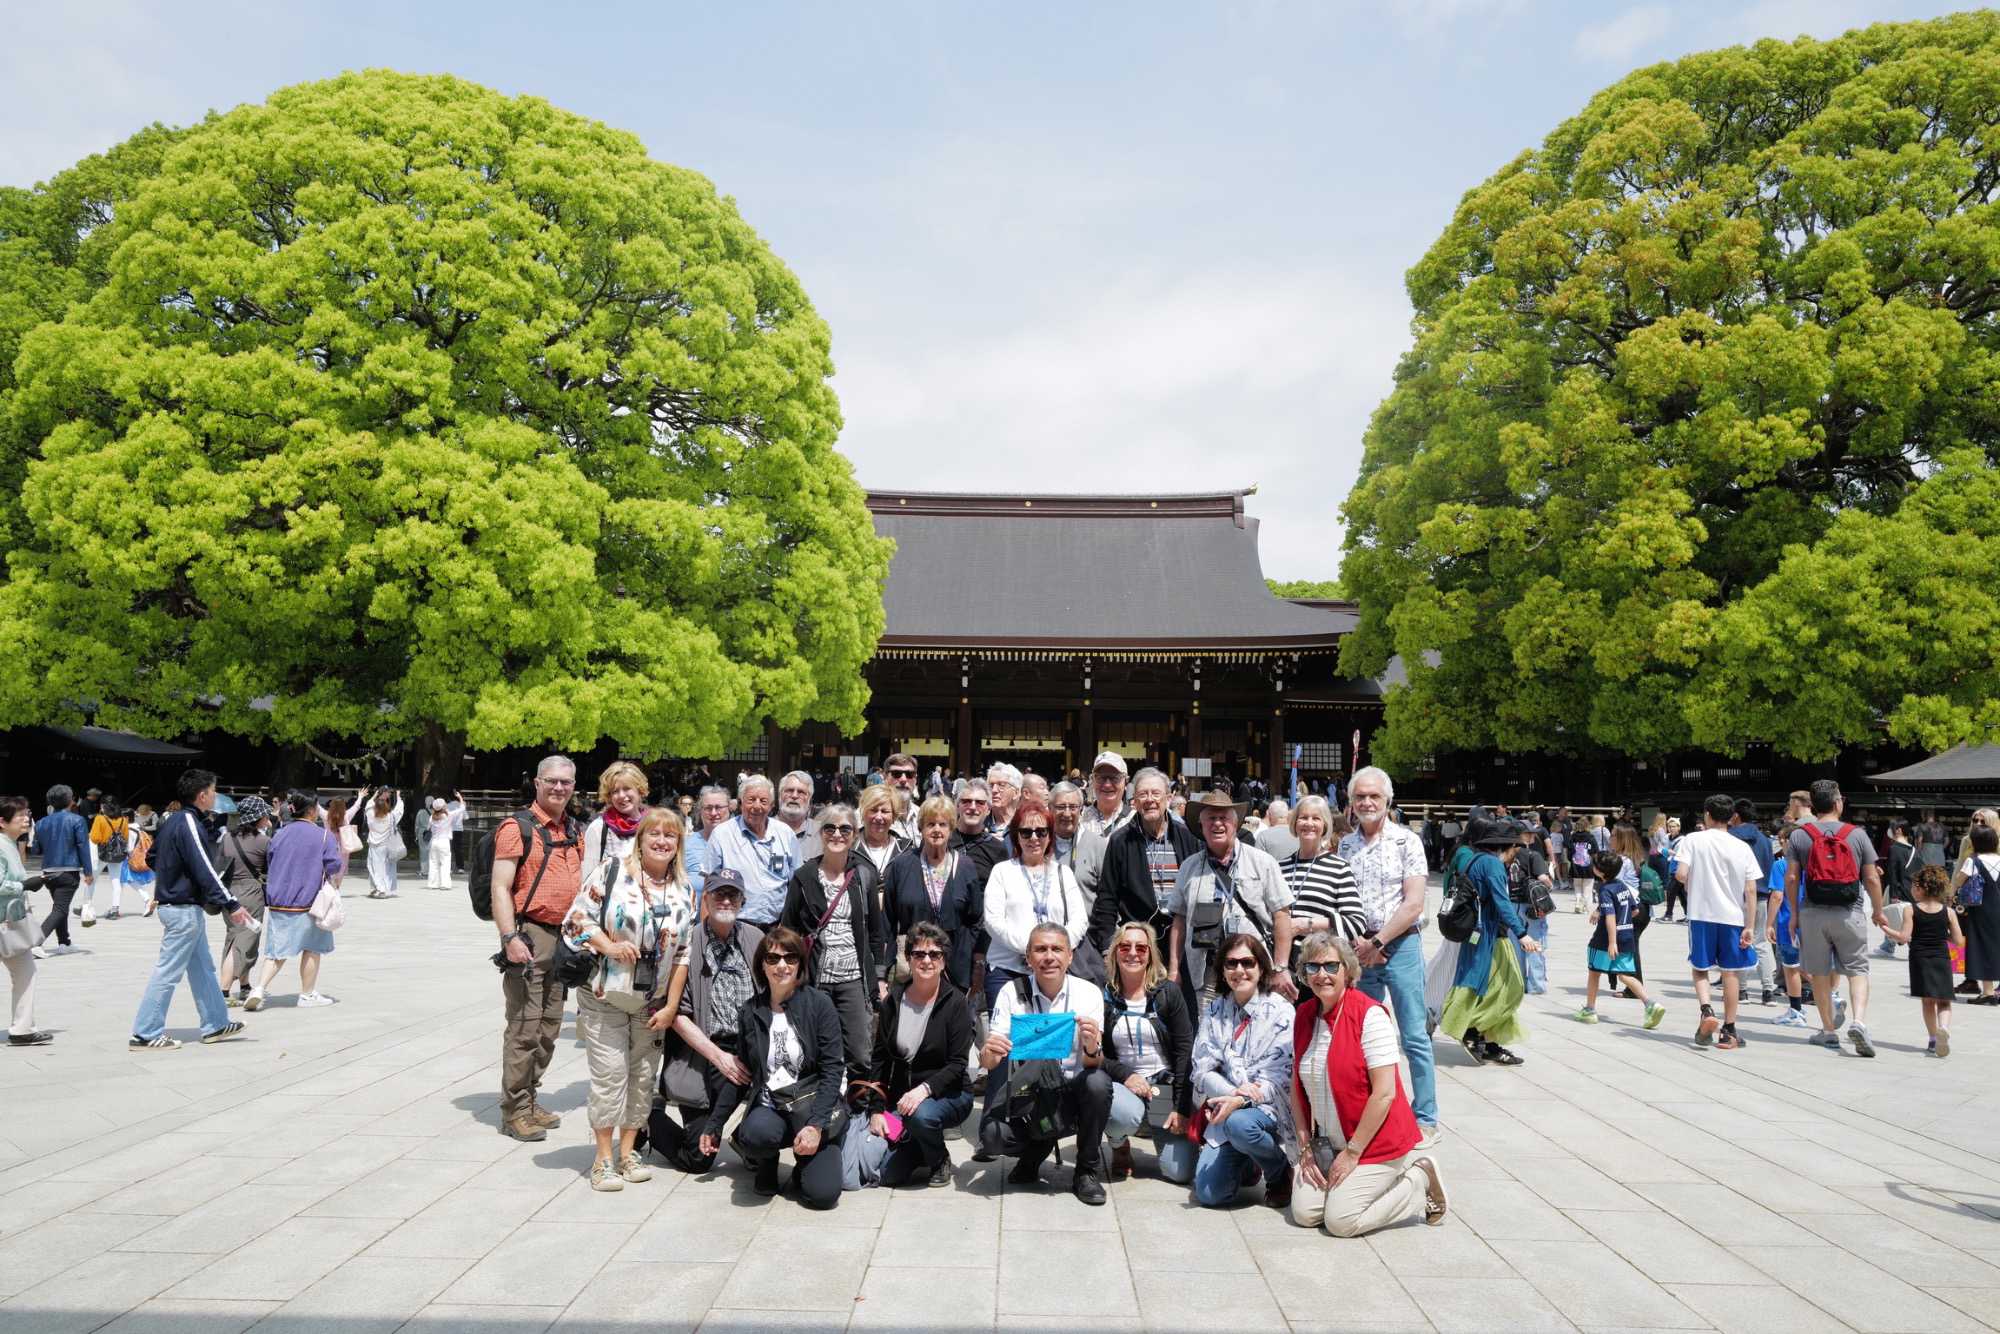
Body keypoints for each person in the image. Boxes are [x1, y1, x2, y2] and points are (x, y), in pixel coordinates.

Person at [563, 806, 694, 1192]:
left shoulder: (684, 888)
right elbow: (575, 920)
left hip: (651, 1002)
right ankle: (603, 1159)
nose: (662, 841)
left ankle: (628, 1152)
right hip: (606, 993)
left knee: (642, 1078)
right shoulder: (613, 871)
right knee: (611, 1076)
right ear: (641, 838)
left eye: (670, 835)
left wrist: (671, 1006)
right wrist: (609, 946)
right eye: (654, 833)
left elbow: (683, 953)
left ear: (679, 843)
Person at [1288, 932, 1445, 1236]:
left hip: (1374, 1142)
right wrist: (1305, 1144)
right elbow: (1296, 1086)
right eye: (1312, 967)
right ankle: (1347, 1190)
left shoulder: (1369, 1014)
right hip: (1330, 1143)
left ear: (1347, 970)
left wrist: (1352, 1152)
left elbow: (1384, 1093)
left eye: (1331, 966)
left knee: (1341, 1222)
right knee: (1305, 1214)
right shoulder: (1304, 1014)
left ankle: (1418, 1180)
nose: (1322, 975)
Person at [699, 926, 849, 1207]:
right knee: (755, 1134)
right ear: (762, 965)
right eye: (773, 958)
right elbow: (742, 1074)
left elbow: (833, 1070)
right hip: (772, 1107)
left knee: (822, 1195)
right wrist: (715, 1124)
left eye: (790, 958)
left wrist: (816, 1125)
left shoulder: (820, 1004)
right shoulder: (750, 1011)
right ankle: (766, 1162)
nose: (782, 965)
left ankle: (807, 1159)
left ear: (800, 964)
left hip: (811, 1106)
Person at [977, 920, 1114, 1205]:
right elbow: (990, 1062)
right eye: (1040, 949)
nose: (1049, 956)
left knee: (1098, 1083)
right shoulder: (1011, 992)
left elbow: (1095, 1062)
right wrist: (989, 1053)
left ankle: (1086, 1171)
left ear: (1070, 956)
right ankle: (1034, 1151)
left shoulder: (1088, 992)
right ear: (1028, 957)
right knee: (991, 1135)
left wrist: (1092, 1046)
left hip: (1072, 1093)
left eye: (1056, 949)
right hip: (1029, 1096)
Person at [1336, 766, 1437, 1139]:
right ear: (1351, 801)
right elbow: (1341, 899)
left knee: (1413, 1034)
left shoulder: (1406, 842)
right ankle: (1368, 1112)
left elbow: (1413, 903)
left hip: (1401, 944)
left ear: (1388, 800)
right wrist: (1360, 943)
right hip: (1358, 947)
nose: (1366, 802)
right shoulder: (1346, 845)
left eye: (1374, 796)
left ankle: (1425, 1116)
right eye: (1360, 796)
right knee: (1359, 1035)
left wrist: (1377, 942)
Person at [491, 755, 587, 1141]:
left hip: (563, 938)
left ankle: (530, 1098)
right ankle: (514, 1110)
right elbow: (500, 886)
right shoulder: (518, 828)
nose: (559, 788)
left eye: (566, 782)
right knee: (524, 1027)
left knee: (549, 1027)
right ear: (537, 783)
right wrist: (509, 937)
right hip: (529, 934)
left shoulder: (574, 830)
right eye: (551, 781)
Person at [129, 770, 252, 1050]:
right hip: (182, 908)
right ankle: (145, 1032)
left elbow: (153, 856)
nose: (215, 795)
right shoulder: (187, 822)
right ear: (202, 795)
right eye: (213, 790)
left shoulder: (175, 820)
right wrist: (230, 902)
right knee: (168, 972)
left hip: (182, 907)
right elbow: (204, 867)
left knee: (203, 969)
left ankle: (216, 1024)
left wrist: (172, 875)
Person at [653, 869, 760, 1172]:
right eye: (719, 894)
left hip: (748, 1049)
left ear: (742, 900)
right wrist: (719, 1058)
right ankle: (648, 1118)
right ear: (706, 899)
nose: (726, 901)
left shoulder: (755, 939)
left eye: (733, 895)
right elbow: (676, 1013)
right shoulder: (688, 942)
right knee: (698, 1159)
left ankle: (747, 1139)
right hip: (703, 1051)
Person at [779, 804, 888, 1077]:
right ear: (820, 833)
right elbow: (788, 931)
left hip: (854, 979)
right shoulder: (804, 877)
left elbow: (876, 932)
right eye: (830, 828)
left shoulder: (863, 874)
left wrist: (880, 977)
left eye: (845, 829)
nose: (837, 834)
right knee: (815, 1051)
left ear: (854, 835)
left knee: (859, 1053)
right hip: (816, 978)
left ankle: (856, 1102)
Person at [865, 921, 976, 1187]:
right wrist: (876, 1109)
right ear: (908, 959)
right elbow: (880, 1059)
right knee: (888, 1176)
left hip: (949, 1094)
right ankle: (918, 1143)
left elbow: (958, 1064)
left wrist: (923, 1090)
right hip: (903, 1098)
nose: (926, 960)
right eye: (919, 954)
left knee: (921, 1116)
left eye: (934, 954)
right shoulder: (893, 1000)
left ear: (944, 961)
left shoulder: (956, 1003)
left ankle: (938, 1158)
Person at [1189, 932, 1295, 1209]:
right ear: (1222, 970)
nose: (1239, 970)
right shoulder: (1215, 1009)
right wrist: (1233, 1093)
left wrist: (1243, 1100)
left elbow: (1281, 1078)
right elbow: (1202, 1068)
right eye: (1231, 963)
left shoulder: (1282, 1011)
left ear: (1261, 967)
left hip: (1268, 1107)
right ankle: (1250, 1159)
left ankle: (1279, 1171)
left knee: (1240, 1124)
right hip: (1226, 1102)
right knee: (1210, 1194)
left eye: (1247, 963)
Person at [1784, 780, 1888, 1057]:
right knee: (1857, 970)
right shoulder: (1857, 835)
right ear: (1838, 803)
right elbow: (1872, 878)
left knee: (1819, 973)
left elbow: (1792, 877)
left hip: (1813, 912)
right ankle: (1859, 1021)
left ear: (1814, 805)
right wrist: (1878, 911)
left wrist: (1793, 913)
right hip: (1849, 911)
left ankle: (1828, 1031)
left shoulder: (1800, 835)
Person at [1167, 790, 1296, 1007]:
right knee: (1210, 1026)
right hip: (1208, 974)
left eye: (1223, 818)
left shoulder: (1262, 862)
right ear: (1201, 825)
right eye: (1211, 818)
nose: (1217, 824)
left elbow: (1282, 915)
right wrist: (1174, 969)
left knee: (1255, 1025)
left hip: (1253, 969)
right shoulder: (1189, 867)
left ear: (1235, 824)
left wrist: (1281, 967)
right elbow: (1179, 920)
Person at [1438, 820, 1541, 1066]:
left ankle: (1488, 1042)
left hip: (1480, 933)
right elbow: (1501, 902)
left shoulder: (1475, 859)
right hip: (1489, 935)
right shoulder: (1493, 864)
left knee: (1493, 985)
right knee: (1509, 987)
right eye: (1517, 847)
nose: (1518, 851)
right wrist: (1522, 934)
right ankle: (1471, 1031)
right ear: (1509, 846)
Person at [1100, 921, 1195, 1183]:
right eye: (1125, 947)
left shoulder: (1168, 993)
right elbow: (1094, 1055)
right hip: (1123, 1084)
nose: (1133, 953)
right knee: (1119, 1112)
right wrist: (1126, 1074)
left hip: (1161, 1086)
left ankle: (1151, 1124)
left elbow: (1184, 1051)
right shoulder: (1103, 996)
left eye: (1141, 948)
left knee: (1179, 1173)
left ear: (1151, 953)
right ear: (1115, 952)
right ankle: (1119, 1144)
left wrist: (1181, 1107)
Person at [982, 797, 1090, 1010]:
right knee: (1008, 1031)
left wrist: (1054, 950)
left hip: (1054, 970)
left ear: (1050, 836)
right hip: (1008, 969)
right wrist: (1031, 950)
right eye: (1026, 832)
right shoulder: (1002, 871)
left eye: (1041, 832)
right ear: (1016, 836)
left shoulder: (1063, 873)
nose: (1034, 838)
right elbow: (993, 922)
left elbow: (1079, 920)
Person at [1676, 794, 1763, 1052]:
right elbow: (1751, 889)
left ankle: (1706, 1010)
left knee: (1699, 967)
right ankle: (1729, 1030)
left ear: (1707, 814)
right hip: (1733, 917)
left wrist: (1694, 881)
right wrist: (1749, 925)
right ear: (1732, 817)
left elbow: (1681, 874)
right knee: (1730, 972)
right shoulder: (1742, 847)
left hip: (1701, 914)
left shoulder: (1693, 840)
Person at [250, 790, 345, 1010]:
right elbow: (334, 865)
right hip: (309, 901)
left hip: (279, 900)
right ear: (312, 810)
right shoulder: (323, 835)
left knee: (276, 951)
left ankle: (259, 989)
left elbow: (270, 861)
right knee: (312, 948)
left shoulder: (279, 834)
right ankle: (307, 994)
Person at [1089, 767, 1200, 952]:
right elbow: (1107, 899)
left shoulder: (1187, 837)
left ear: (1168, 798)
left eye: (1156, 793)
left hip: (1182, 940)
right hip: (1138, 945)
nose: (1150, 800)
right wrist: (1108, 948)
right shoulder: (1120, 841)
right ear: (1134, 802)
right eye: (1143, 794)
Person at [882, 796, 984, 992]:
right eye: (930, 824)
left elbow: (976, 918)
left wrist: (965, 952)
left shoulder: (965, 866)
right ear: (921, 828)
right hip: (912, 967)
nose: (937, 830)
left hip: (954, 969)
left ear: (951, 828)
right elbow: (887, 919)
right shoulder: (902, 865)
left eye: (942, 824)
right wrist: (883, 970)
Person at [1574, 851, 1667, 1029]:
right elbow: (1635, 910)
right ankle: (1650, 1004)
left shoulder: (1605, 889)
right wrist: (1622, 923)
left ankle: (1590, 1010)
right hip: (1627, 936)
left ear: (1600, 871)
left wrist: (1612, 942)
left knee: (1594, 972)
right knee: (1624, 975)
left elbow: (1610, 917)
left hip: (1604, 940)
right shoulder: (1622, 885)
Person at [1880, 866, 1963, 1055]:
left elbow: (1903, 937)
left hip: (1920, 958)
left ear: (1920, 888)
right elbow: (1958, 942)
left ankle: (1933, 1039)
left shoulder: (1911, 910)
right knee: (1944, 1001)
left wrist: (1885, 928)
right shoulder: (1949, 912)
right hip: (1941, 958)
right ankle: (1944, 1028)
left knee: (1927, 1001)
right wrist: (1944, 934)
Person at [703, 775, 797, 929]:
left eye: (763, 801)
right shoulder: (722, 834)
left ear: (772, 806)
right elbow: (708, 886)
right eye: (751, 800)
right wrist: (706, 933)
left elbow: (795, 884)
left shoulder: (786, 833)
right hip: (735, 926)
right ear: (740, 803)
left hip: (778, 927)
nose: (757, 806)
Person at [1278, 795, 1365, 960]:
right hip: (1284, 962)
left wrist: (1305, 925)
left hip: (1322, 962)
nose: (1309, 823)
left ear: (1324, 825)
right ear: (1295, 823)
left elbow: (1356, 923)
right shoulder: (1279, 867)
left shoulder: (1339, 868)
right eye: (1303, 818)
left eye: (1316, 818)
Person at [0, 797, 51, 1045]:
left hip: (10, 923)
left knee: (26, 972)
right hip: (4, 923)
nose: (26, 819)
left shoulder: (9, 844)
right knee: (25, 972)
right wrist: (23, 885)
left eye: (27, 814)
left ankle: (22, 1029)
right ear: (2, 821)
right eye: (19, 815)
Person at [216, 797, 273, 1008]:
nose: (267, 818)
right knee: (243, 942)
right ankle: (223, 991)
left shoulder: (226, 838)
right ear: (258, 817)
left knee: (236, 937)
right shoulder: (264, 841)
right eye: (265, 815)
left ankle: (245, 985)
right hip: (251, 893)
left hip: (229, 893)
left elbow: (219, 864)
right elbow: (270, 868)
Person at [32, 786, 91, 955]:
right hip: (68, 870)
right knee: (60, 909)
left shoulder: (41, 822)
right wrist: (88, 871)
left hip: (48, 871)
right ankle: (36, 943)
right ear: (70, 800)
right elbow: (83, 847)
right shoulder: (77, 820)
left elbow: (36, 850)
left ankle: (64, 942)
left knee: (60, 906)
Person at [1951, 822, 2000, 1005]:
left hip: (1980, 909)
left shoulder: (1973, 860)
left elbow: (1958, 880)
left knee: (1981, 947)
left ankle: (1988, 992)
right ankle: (1993, 992)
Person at [583, 762, 650, 871]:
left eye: (627, 788)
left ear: (639, 790)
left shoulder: (653, 824)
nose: (621, 795)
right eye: (615, 791)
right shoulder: (598, 828)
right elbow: (588, 873)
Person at [353, 785, 406, 899]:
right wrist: (398, 797)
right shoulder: (391, 817)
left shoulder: (371, 815)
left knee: (374, 867)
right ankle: (382, 888)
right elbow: (399, 810)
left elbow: (368, 806)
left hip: (374, 845)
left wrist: (375, 795)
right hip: (387, 846)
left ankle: (380, 889)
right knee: (385, 868)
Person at [854, 784, 911, 881]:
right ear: (863, 813)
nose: (878, 817)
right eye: (873, 810)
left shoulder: (905, 850)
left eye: (884, 811)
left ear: (894, 816)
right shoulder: (849, 847)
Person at [1878, 820, 1918, 958]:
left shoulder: (1894, 849)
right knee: (1906, 920)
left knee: (1895, 918)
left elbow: (1893, 874)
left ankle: (1889, 946)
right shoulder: (1913, 849)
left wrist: (1894, 895)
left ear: (1899, 830)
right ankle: (1888, 945)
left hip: (1899, 891)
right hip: (1911, 890)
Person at [87, 798, 131, 921]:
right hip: (118, 854)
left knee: (91, 879)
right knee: (116, 881)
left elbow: (95, 838)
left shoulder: (100, 818)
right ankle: (115, 908)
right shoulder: (123, 819)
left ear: (104, 807)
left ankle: (86, 905)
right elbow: (126, 837)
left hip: (102, 854)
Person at [685, 785, 731, 900]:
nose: (714, 813)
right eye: (708, 808)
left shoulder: (741, 843)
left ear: (729, 808)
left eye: (719, 807)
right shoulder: (686, 845)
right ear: (700, 811)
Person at [1078, 752, 1132, 841]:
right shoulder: (1080, 819)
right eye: (1101, 778)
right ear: (1092, 780)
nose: (1107, 785)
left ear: (1126, 782)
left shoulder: (1135, 820)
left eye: (1115, 778)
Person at [776, 770, 823, 863]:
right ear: (780, 796)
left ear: (810, 799)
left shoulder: (822, 833)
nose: (794, 796)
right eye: (789, 790)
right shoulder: (763, 829)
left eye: (801, 792)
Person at [425, 792, 467, 890]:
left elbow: (428, 828)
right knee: (445, 863)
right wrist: (460, 797)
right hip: (444, 842)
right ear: (443, 807)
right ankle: (444, 884)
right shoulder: (448, 816)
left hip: (434, 842)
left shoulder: (431, 817)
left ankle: (432, 884)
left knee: (433, 863)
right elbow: (462, 808)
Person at [882, 753, 922, 843]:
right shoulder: (868, 816)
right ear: (885, 777)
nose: (903, 779)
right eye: (896, 774)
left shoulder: (922, 815)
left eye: (909, 774)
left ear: (915, 780)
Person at [985, 764, 1023, 836]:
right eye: (991, 785)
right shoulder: (979, 824)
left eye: (1001, 785)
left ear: (1016, 793)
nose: (994, 790)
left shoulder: (1026, 824)